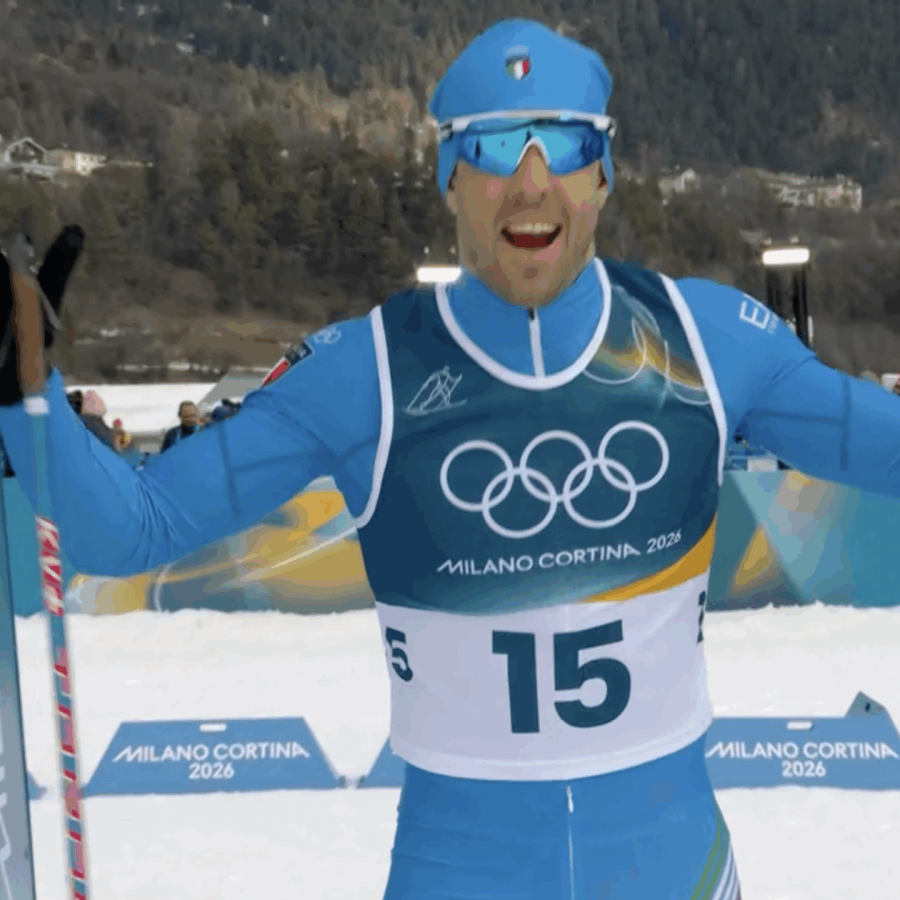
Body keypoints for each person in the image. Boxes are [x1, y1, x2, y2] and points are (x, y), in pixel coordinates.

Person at [3, 19, 900, 899]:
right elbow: (131, 530)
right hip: (463, 867)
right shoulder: (367, 371)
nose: (531, 182)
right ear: (448, 176)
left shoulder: (704, 339)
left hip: (675, 868)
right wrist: (27, 394)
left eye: (562, 142)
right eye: (496, 147)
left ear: (603, 172)